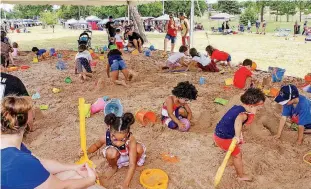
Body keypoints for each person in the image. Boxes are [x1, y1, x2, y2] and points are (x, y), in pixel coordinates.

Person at [1, 96, 103, 189]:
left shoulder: (12, 147)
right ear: (27, 121)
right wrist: (90, 179)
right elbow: (62, 187)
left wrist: (74, 167)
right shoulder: (21, 160)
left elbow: (41, 163)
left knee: (73, 173)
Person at [81, 113, 146, 189]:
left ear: (127, 134)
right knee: (111, 152)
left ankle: (137, 164)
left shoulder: (131, 139)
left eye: (122, 139)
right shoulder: (105, 137)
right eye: (115, 139)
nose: (118, 143)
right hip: (116, 157)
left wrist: (125, 184)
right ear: (109, 131)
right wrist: (86, 152)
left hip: (128, 155)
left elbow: (131, 164)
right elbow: (96, 146)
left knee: (139, 149)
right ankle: (114, 167)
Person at [214, 88, 265, 181]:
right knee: (238, 155)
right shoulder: (243, 114)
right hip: (224, 138)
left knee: (233, 150)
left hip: (219, 133)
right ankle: (241, 176)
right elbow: (238, 121)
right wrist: (237, 136)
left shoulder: (238, 107)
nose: (259, 110)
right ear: (251, 106)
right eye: (258, 108)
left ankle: (230, 162)